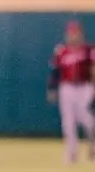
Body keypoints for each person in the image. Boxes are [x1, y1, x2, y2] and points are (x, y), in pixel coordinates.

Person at [47, 19, 95, 164]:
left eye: (76, 33)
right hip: (66, 87)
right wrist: (51, 88)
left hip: (85, 86)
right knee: (68, 122)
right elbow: (55, 71)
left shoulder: (89, 49)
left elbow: (93, 68)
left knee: (86, 118)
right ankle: (71, 153)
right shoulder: (61, 50)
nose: (73, 36)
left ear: (81, 34)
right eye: (71, 33)